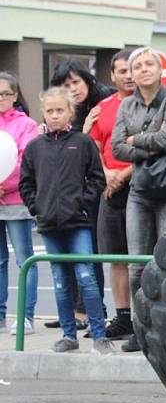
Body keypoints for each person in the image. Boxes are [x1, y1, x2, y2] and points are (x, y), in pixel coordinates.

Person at [19, 87, 111, 354]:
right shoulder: (35, 147)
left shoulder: (82, 142)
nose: (55, 115)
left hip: (78, 222)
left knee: (86, 277)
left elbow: (96, 178)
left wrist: (83, 205)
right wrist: (38, 207)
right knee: (60, 280)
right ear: (43, 114)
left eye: (60, 110)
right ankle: (68, 335)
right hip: (48, 223)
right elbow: (26, 183)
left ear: (70, 112)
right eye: (50, 111)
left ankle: (99, 336)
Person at [112, 47, 166, 353]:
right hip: (139, 191)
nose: (143, 70)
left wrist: (135, 140)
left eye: (148, 64)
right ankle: (140, 329)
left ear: (159, 69)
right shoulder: (127, 105)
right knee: (136, 266)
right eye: (137, 66)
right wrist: (149, 147)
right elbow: (117, 148)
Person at [48, 59, 112, 329]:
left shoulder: (104, 103)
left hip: (96, 189)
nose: (73, 88)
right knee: (68, 255)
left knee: (90, 252)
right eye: (66, 85)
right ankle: (74, 311)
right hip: (66, 192)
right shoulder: (61, 114)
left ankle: (91, 310)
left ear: (87, 80)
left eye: (76, 82)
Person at [84, 50, 136, 340]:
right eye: (122, 71)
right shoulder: (101, 108)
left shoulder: (150, 104)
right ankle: (123, 317)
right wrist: (106, 174)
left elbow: (155, 146)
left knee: (139, 256)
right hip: (108, 187)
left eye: (132, 69)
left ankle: (143, 319)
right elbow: (92, 145)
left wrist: (124, 174)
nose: (128, 75)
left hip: (139, 185)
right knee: (116, 256)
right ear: (112, 76)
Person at [0, 72, 39, 335]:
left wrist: (4, 184)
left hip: (16, 200)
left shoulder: (26, 125)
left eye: (5, 93)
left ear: (15, 96)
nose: (1, 98)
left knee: (24, 259)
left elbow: (26, 161)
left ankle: (26, 317)